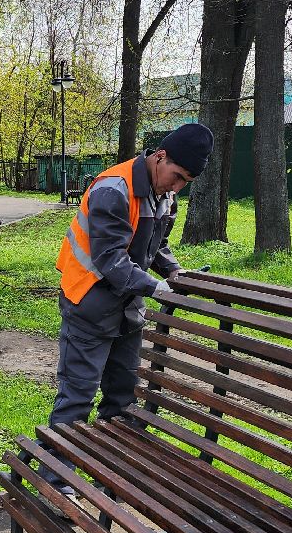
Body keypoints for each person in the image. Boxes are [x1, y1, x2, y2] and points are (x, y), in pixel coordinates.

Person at [49, 122, 214, 446]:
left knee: (123, 400)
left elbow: (155, 247)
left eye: (186, 182)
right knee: (78, 397)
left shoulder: (165, 196)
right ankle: (56, 480)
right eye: (177, 176)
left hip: (127, 307)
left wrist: (174, 272)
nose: (177, 187)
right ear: (160, 156)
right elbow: (110, 258)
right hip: (88, 303)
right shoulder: (113, 188)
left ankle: (111, 478)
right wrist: (156, 288)